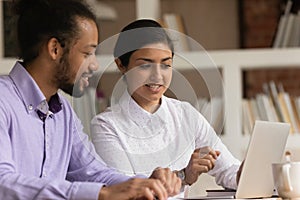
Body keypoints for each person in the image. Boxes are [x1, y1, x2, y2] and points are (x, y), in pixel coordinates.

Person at [0, 1, 182, 199]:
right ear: (54, 49)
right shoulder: (3, 100)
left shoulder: (63, 113)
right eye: (87, 53)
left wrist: (145, 184)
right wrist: (101, 194)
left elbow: (94, 172)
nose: (94, 65)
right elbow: (3, 183)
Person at [90, 19, 242, 197]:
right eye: (145, 65)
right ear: (121, 65)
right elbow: (128, 194)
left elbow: (229, 169)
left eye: (166, 64)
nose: (157, 76)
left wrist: (250, 173)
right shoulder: (106, 126)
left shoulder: (186, 114)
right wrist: (184, 175)